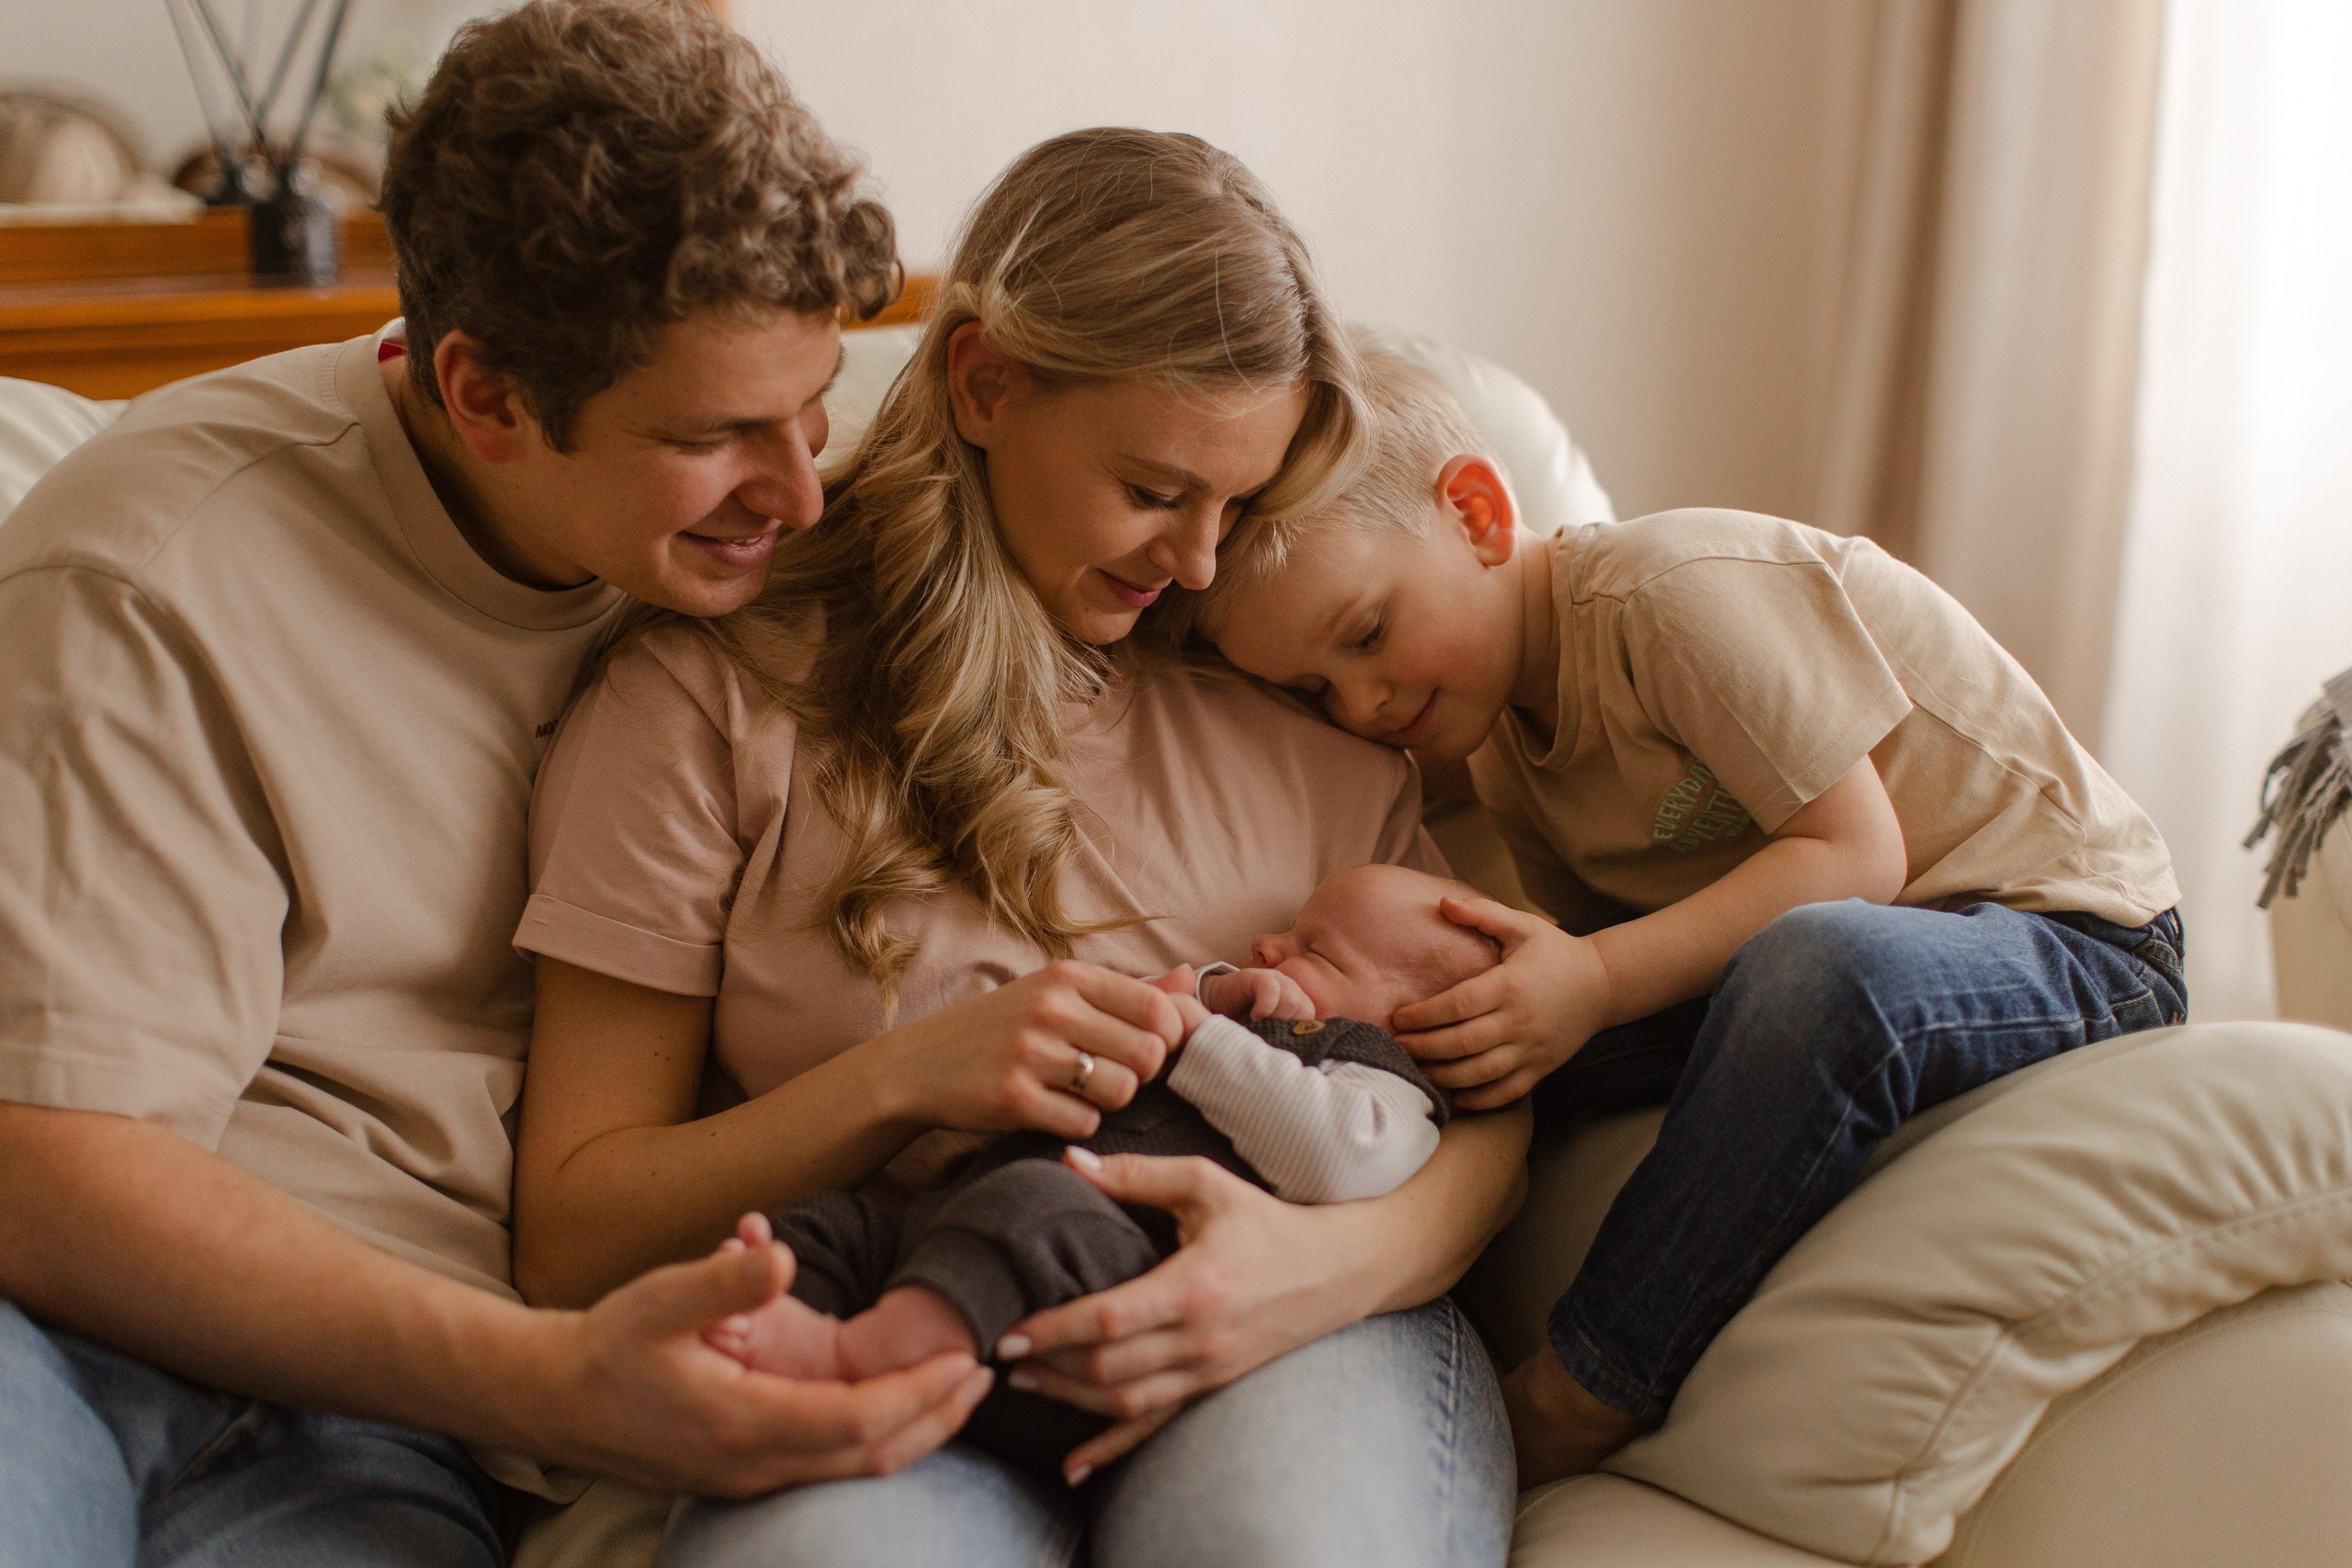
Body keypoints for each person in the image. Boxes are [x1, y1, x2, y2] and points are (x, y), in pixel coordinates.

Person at [0, 6, 997, 1564]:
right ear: (483, 396)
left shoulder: (798, 546)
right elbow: (47, 1173)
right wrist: (554, 1383)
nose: (801, 490)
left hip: (381, 1422)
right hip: (66, 1341)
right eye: (720, 435)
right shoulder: (151, 570)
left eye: (811, 410)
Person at [512, 131, 1525, 1568]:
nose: (1200, 563)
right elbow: (568, 1229)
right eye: (1158, 487)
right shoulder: (713, 700)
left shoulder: (1304, 686)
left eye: (1240, 502)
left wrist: (1318, 1268)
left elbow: (1489, 1092)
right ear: (985, 384)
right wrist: (898, 1080)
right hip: (902, 1316)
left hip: (1301, 1330)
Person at [1188, 344, 2188, 1483]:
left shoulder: (1671, 594)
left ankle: (1584, 1388)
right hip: (1820, 958)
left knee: (1818, 967)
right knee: (1470, 1021)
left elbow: (1858, 856)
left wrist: (1597, 978)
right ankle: (1295, 1237)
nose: (1361, 704)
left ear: (1473, 511)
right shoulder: (1500, 737)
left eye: (1366, 634)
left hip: (2065, 928)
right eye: (1315, 691)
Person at [701, 863, 1497, 1478]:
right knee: (831, 1224)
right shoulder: (1243, 1014)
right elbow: (1140, 1022)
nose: (1269, 946)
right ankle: (768, 1324)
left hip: (1094, 1292)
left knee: (1027, 1206)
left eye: (1313, 948)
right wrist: (1204, 994)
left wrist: (1199, 1039)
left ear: (1415, 1024)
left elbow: (1343, 1157)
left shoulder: (1382, 1082)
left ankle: (860, 1361)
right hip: (955, 1235)